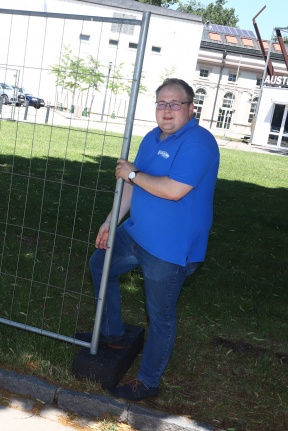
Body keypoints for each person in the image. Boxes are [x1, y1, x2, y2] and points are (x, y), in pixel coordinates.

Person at [88, 78, 219, 401]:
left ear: (191, 108)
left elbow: (173, 190)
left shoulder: (199, 142)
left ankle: (148, 382)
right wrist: (110, 222)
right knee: (100, 265)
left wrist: (131, 173)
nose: (167, 110)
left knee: (160, 314)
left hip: (170, 249)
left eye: (175, 104)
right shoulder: (151, 138)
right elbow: (133, 185)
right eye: (162, 103)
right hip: (134, 233)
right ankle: (114, 334)